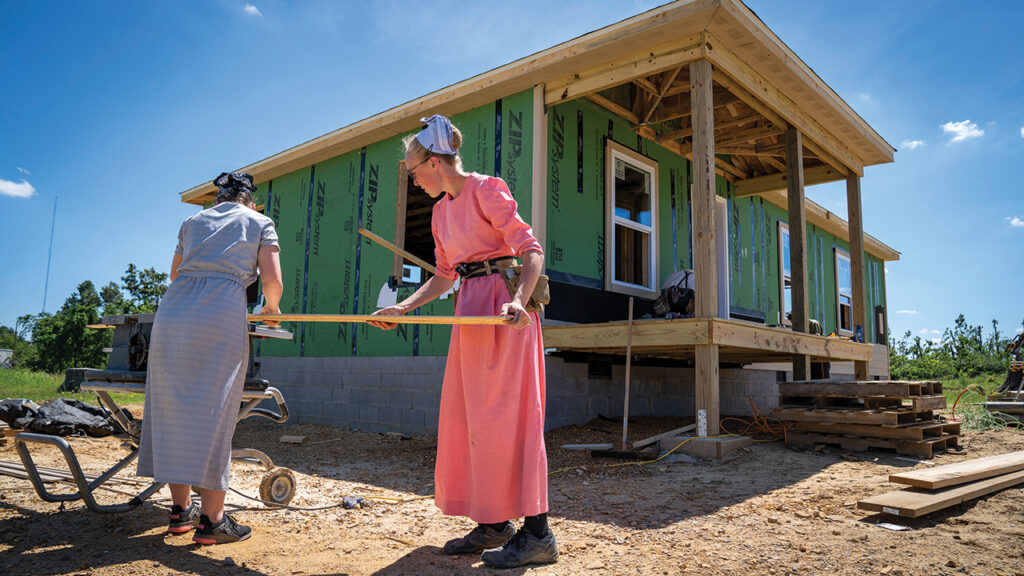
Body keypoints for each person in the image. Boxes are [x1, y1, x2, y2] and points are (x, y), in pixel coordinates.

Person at [370, 115, 557, 568]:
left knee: (512, 418)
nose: (413, 182)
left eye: (414, 172)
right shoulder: (440, 212)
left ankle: (538, 534)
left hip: (505, 312)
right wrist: (404, 308)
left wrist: (517, 302)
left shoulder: (486, 189)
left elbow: (531, 251)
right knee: (474, 419)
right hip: (470, 312)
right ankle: (494, 522)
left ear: (433, 162)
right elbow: (444, 274)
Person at [137, 171, 283, 545]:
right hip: (219, 310)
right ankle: (213, 520)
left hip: (172, 313)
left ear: (218, 199)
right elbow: (272, 280)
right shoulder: (259, 221)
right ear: (249, 201)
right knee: (214, 413)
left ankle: (180, 511)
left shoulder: (192, 221)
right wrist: (272, 307)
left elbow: (174, 272)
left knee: (174, 411)